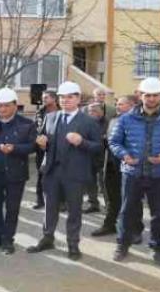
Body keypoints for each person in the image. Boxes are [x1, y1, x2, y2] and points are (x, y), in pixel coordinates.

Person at [109, 77, 160, 266]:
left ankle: (157, 248)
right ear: (140, 95)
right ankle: (122, 244)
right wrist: (124, 155)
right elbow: (114, 142)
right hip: (132, 173)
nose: (151, 99)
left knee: (159, 214)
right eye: (147, 95)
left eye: (155, 95)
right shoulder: (126, 118)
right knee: (126, 211)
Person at [27, 82, 102, 260]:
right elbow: (43, 139)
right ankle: (47, 238)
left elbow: (98, 147)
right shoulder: (51, 117)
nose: (65, 100)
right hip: (52, 172)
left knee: (74, 211)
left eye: (70, 97)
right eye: (62, 97)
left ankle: (73, 244)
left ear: (78, 99)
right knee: (49, 208)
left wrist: (81, 142)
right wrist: (42, 143)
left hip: (75, 174)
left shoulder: (89, 121)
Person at [0, 88, 37, 255]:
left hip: (15, 174)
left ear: (14, 105)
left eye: (5, 106)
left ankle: (7, 240)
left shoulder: (26, 124)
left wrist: (15, 148)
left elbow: (32, 146)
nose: (2, 110)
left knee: (12, 208)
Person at [91, 95, 144, 238]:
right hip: (110, 164)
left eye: (121, 104)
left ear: (132, 105)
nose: (117, 106)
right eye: (117, 104)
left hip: (129, 164)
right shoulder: (113, 120)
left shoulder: (140, 121)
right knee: (112, 197)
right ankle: (109, 224)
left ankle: (135, 230)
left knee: (132, 198)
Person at [32, 91, 59, 210]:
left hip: (58, 148)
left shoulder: (61, 112)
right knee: (41, 174)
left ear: (54, 99)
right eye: (43, 98)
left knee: (58, 175)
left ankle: (60, 201)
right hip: (41, 149)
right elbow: (35, 129)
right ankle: (40, 200)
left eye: (46, 98)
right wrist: (38, 140)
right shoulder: (40, 112)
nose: (43, 99)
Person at [84, 102, 108, 214]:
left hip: (105, 157)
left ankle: (110, 206)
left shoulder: (108, 122)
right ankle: (93, 204)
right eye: (90, 111)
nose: (91, 113)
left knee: (104, 184)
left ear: (101, 112)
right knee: (90, 182)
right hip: (89, 156)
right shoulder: (86, 123)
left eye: (94, 111)